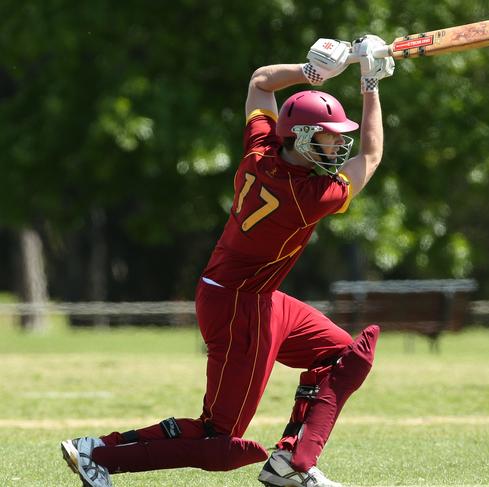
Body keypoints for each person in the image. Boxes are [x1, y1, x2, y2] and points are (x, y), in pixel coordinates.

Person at [60, 34, 394, 487]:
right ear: (300, 136)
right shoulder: (306, 195)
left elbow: (260, 82)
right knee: (219, 439)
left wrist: (313, 72)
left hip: (255, 297)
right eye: (329, 139)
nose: (338, 149)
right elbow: (371, 157)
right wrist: (370, 83)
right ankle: (96, 452)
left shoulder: (262, 150)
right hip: (241, 306)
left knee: (342, 356)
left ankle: (291, 463)